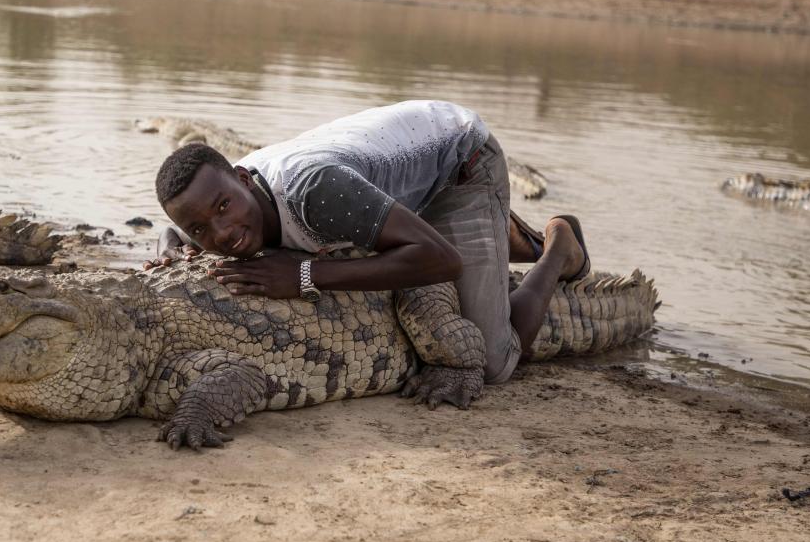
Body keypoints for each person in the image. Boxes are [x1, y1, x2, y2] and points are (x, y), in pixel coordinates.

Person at [146, 100, 588, 385]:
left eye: (224, 207)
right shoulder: (217, 201)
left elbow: (443, 262)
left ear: (243, 180)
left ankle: (558, 247)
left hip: (460, 162)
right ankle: (493, 227)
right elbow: (181, 231)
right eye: (201, 230)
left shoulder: (313, 193)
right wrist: (170, 248)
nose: (222, 234)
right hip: (376, 180)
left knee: (493, 361)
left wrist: (304, 274)